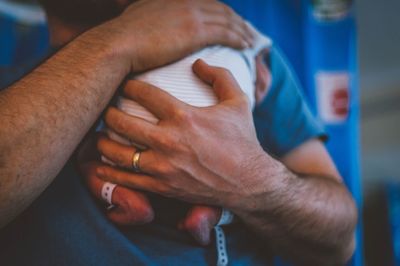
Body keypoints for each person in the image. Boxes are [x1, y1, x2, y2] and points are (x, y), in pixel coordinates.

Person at [0, 0, 357, 265]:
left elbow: (339, 241)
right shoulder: (9, 90)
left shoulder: (230, 50)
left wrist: (250, 180)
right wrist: (121, 41)